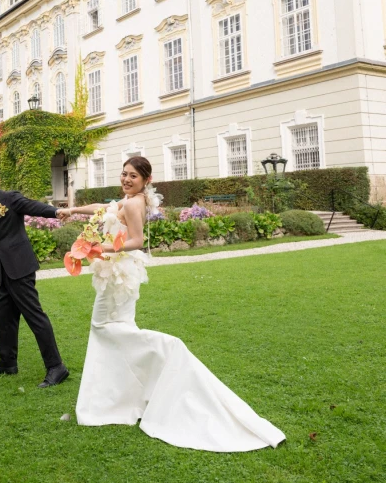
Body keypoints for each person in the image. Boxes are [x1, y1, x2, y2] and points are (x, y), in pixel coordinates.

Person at [60, 156, 286, 452]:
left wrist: (96, 247)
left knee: (104, 328)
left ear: (146, 180)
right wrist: (73, 209)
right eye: (124, 174)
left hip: (119, 274)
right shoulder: (130, 199)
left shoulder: (133, 203)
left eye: (133, 176)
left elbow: (137, 240)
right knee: (118, 327)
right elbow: (105, 209)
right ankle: (124, 396)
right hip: (120, 273)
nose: (126, 179)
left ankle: (166, 349)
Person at [0, 162, 69, 388]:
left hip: (20, 268)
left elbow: (32, 206)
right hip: (3, 272)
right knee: (5, 316)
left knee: (34, 316)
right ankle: (7, 363)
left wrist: (55, 211)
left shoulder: (10, 198)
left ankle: (57, 367)